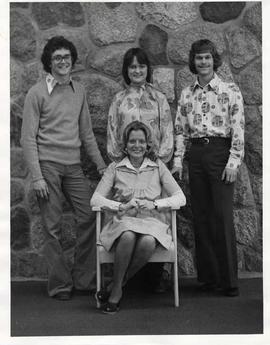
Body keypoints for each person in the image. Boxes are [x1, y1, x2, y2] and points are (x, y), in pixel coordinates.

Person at [21, 36, 107, 300]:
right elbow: (27, 138)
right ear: (49, 61)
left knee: (89, 216)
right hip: (47, 167)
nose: (62, 61)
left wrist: (102, 166)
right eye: (57, 57)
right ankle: (60, 285)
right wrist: (37, 178)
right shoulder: (37, 93)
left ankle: (83, 280)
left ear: (72, 60)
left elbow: (87, 133)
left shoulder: (77, 90)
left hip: (73, 167)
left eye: (66, 57)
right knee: (52, 226)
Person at [172, 39, 245, 297]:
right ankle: (209, 278)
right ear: (193, 61)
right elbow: (180, 130)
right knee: (201, 216)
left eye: (207, 57)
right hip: (197, 155)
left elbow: (238, 128)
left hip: (219, 153)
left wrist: (233, 162)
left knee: (222, 216)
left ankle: (229, 281)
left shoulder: (229, 90)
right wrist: (179, 160)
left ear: (214, 60)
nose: (203, 62)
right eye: (199, 58)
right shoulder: (186, 93)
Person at [91, 121, 186, 314]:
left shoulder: (157, 166)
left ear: (147, 144)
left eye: (141, 141)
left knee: (148, 241)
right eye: (132, 141)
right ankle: (116, 291)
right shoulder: (115, 167)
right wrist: (121, 206)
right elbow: (96, 199)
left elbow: (180, 197)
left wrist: (155, 204)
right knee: (127, 235)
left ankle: (116, 285)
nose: (137, 145)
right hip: (123, 221)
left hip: (152, 221)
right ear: (125, 145)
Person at [107, 47, 174, 292]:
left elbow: (167, 132)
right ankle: (127, 281)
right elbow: (113, 133)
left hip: (153, 169)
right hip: (126, 170)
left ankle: (150, 281)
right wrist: (120, 161)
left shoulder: (159, 98)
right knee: (129, 219)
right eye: (132, 66)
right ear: (127, 70)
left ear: (147, 69)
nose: (137, 70)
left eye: (141, 66)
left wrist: (160, 159)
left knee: (151, 217)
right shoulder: (118, 100)